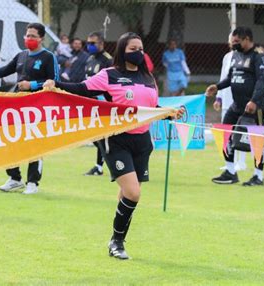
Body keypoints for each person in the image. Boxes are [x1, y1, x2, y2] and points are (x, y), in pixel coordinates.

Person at [43, 32, 183, 260]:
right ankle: (117, 242)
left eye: (140, 48)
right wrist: (55, 85)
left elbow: (150, 106)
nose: (138, 52)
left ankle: (117, 237)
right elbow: (81, 88)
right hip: (116, 139)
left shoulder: (148, 77)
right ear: (121, 51)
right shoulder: (109, 75)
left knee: (127, 195)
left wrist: (168, 113)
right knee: (133, 193)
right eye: (132, 48)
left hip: (142, 142)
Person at [0, 22, 59, 195]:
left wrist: (32, 84)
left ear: (41, 38)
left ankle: (33, 182)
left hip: (37, 107)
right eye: (27, 35)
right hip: (17, 106)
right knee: (10, 139)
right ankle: (15, 178)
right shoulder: (21, 55)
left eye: (33, 36)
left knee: (34, 143)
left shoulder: (48, 57)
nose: (29, 39)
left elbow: (54, 81)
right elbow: (6, 70)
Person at [206, 26, 264, 186]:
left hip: (256, 106)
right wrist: (218, 87)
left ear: (247, 39)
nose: (233, 44)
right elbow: (231, 77)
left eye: (237, 41)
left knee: (257, 139)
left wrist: (254, 101)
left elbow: (262, 81)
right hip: (237, 105)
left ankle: (258, 176)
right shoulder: (235, 55)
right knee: (223, 132)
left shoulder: (259, 55)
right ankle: (230, 172)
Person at [214, 33, 247, 172]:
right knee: (226, 132)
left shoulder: (247, 57)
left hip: (240, 101)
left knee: (241, 131)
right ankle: (230, 163)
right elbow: (223, 78)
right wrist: (218, 97)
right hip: (227, 100)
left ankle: (242, 162)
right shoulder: (227, 57)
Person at [84, 31, 113, 176]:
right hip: (90, 101)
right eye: (88, 43)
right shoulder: (89, 59)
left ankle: (99, 166)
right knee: (93, 135)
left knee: (100, 134)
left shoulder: (108, 60)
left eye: (92, 43)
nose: (89, 46)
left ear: (101, 43)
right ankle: (104, 160)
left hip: (101, 101)